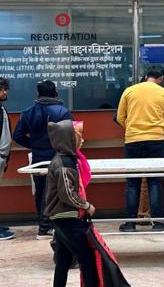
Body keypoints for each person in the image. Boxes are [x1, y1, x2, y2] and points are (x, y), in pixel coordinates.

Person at [13, 79, 73, 239]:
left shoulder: (27, 112)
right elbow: (70, 136)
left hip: (38, 157)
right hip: (58, 156)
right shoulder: (62, 112)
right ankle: (47, 227)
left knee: (41, 192)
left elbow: (17, 136)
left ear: (38, 94)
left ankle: (43, 225)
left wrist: (34, 145)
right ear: (55, 93)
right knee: (55, 191)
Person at [116, 65, 164, 232]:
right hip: (156, 141)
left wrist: (132, 129)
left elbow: (120, 117)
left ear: (146, 76)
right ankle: (158, 223)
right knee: (155, 182)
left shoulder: (129, 91)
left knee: (132, 183)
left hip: (133, 140)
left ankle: (130, 224)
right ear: (161, 78)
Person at [45, 120, 98, 287]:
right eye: (78, 137)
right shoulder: (65, 164)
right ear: (68, 139)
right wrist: (86, 205)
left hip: (60, 216)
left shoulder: (65, 159)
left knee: (63, 259)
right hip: (66, 216)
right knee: (87, 257)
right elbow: (67, 194)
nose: (82, 140)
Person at [0, 77, 14, 240]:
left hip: (1, 158)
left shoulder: (1, 108)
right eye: (0, 89)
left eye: (5, 89)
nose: (4, 92)